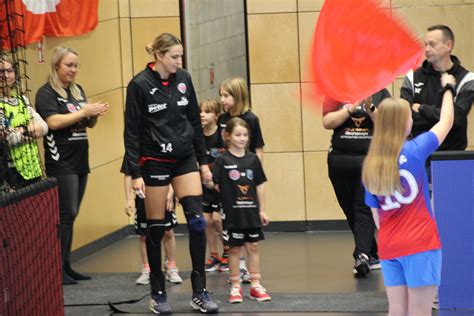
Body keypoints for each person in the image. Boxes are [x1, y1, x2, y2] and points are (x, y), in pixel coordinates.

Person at [123, 33, 218, 314]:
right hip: (153, 160)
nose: (179, 61)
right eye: (175, 56)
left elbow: (193, 121)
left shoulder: (184, 79)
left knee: (198, 222)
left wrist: (203, 161)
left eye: (181, 56)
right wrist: (135, 172)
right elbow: (131, 132)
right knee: (157, 227)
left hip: (184, 157)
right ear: (160, 56)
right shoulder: (139, 85)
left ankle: (199, 291)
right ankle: (158, 292)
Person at [362, 73, 455, 316]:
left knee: (397, 311)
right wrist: (448, 89)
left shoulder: (371, 164)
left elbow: (376, 219)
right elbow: (446, 121)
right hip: (421, 244)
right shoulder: (415, 150)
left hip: (390, 246)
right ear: (404, 123)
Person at [36, 46, 109, 285]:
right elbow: (53, 122)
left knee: (72, 214)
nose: (74, 70)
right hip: (61, 161)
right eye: (69, 65)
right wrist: (83, 112)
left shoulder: (77, 91)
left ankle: (66, 264)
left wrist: (93, 114)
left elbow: (87, 124)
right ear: (57, 65)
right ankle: (57, 266)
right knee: (67, 213)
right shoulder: (46, 93)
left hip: (79, 160)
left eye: (76, 65)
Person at [322, 89, 391, 277]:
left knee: (363, 207)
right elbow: (327, 122)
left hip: (368, 159)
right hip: (339, 160)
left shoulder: (381, 92)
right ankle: (371, 252)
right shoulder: (335, 90)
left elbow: (386, 125)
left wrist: (370, 107)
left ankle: (362, 255)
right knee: (349, 208)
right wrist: (350, 109)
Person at [212, 117, 270, 303]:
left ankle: (255, 285)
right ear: (227, 136)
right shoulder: (221, 161)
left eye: (245, 135)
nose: (242, 138)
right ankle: (236, 287)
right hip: (232, 214)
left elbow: (260, 185)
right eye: (238, 135)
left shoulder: (253, 159)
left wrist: (262, 210)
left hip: (251, 212)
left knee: (253, 247)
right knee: (234, 249)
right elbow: (216, 187)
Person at [218, 76, 265, 282]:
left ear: (237, 96)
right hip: (226, 175)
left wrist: (255, 173)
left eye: (226, 95)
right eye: (221, 95)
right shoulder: (222, 119)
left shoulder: (251, 119)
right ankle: (232, 261)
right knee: (228, 220)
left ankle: (247, 267)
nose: (222, 100)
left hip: (246, 176)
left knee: (248, 221)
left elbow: (258, 148)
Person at [400, 25, 474, 151]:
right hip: (419, 154)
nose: (427, 49)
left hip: (452, 156)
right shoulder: (412, 77)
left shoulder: (467, 79)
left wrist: (422, 108)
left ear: (448, 45)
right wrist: (443, 117)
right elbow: (404, 117)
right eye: (425, 44)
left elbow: (456, 119)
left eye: (432, 44)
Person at [121, 158, 183, 285]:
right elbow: (128, 175)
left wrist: (172, 193)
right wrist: (128, 199)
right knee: (144, 234)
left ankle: (171, 266)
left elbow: (173, 171)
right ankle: (146, 268)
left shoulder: (161, 145)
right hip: (142, 197)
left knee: (168, 231)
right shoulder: (133, 151)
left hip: (164, 194)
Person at [0, 56, 47, 190]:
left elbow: (43, 127)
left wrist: (20, 130)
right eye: (1, 72)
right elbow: (8, 139)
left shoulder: (23, 101)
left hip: (33, 167)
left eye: (9, 71)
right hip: (10, 172)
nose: (6, 75)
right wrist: (29, 129)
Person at [199, 99, 229, 273]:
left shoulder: (222, 136)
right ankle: (213, 255)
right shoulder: (198, 136)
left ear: (216, 115)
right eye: (201, 111)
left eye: (207, 111)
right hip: (203, 185)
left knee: (218, 219)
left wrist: (216, 179)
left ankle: (227, 248)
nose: (202, 114)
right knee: (206, 221)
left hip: (220, 186)